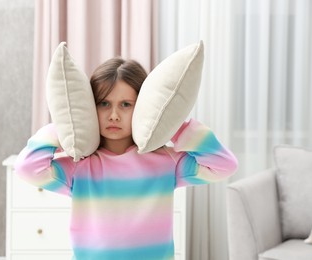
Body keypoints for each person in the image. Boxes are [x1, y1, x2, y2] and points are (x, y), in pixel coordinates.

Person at [14, 57, 238, 260]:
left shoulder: (166, 162)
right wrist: (64, 127)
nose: (113, 115)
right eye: (104, 103)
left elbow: (224, 166)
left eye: (125, 105)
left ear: (141, 107)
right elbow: (27, 168)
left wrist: (175, 127)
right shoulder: (79, 167)